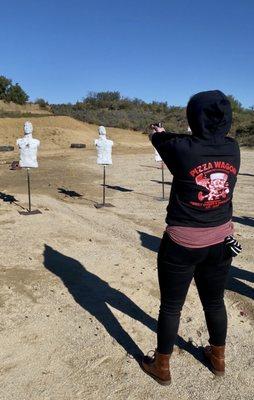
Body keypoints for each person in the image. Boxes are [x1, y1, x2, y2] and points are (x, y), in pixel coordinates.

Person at [142, 90, 241, 385]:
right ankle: (218, 359)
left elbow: (162, 140)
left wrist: (159, 132)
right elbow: (186, 140)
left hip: (182, 242)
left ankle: (162, 367)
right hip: (221, 240)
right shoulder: (233, 148)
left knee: (171, 306)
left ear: (193, 117)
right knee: (215, 302)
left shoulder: (181, 149)